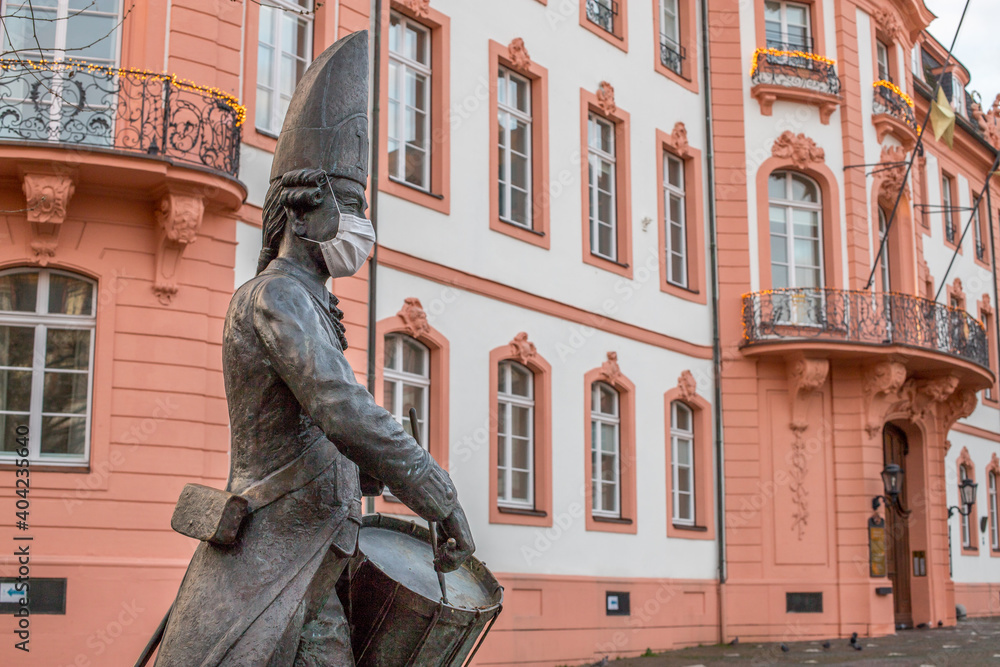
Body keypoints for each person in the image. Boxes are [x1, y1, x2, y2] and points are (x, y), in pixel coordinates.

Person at [153, 31, 474, 666]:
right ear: (301, 215)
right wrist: (439, 494)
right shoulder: (277, 297)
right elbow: (341, 409)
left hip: (313, 559)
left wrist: (375, 475)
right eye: (349, 206)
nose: (363, 226)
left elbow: (321, 437)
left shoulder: (311, 303)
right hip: (267, 560)